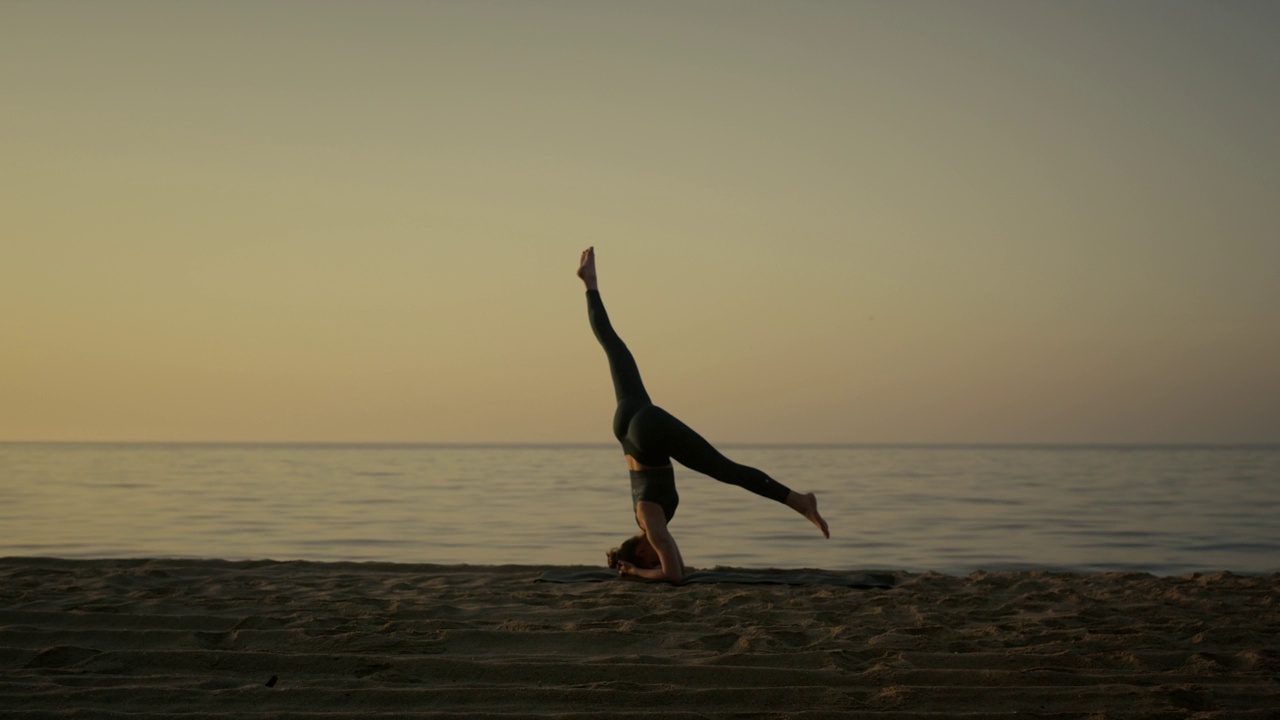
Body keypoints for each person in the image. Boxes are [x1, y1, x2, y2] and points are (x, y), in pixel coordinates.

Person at [577, 247, 829, 584]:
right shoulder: (647, 522)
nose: (658, 552)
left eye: (647, 557)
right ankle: (590, 285)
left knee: (726, 469)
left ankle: (800, 501)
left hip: (646, 433)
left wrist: (638, 573)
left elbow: (674, 575)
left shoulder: (651, 524)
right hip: (628, 422)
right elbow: (676, 564)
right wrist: (647, 567)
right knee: (613, 346)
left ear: (640, 551)